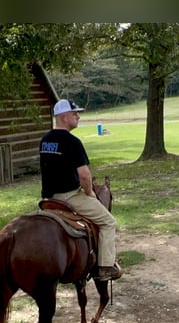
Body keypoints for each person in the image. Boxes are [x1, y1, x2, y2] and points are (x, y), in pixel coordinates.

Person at [39, 99, 123, 281]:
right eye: (74, 113)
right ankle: (106, 267)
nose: (78, 116)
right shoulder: (72, 141)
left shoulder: (45, 140)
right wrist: (90, 193)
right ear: (63, 117)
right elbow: (85, 176)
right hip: (70, 197)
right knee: (108, 222)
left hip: (49, 200)